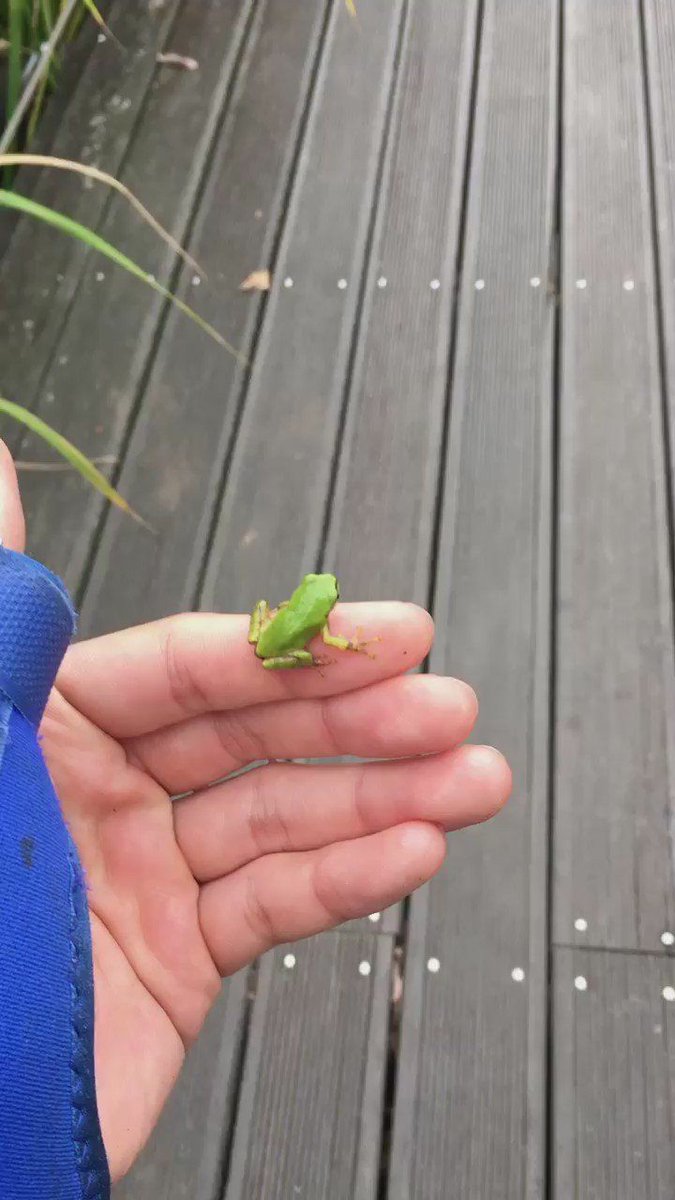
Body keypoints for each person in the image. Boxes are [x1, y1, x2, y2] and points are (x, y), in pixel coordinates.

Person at [0, 440, 511, 1192]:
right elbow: (330, 637)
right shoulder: (323, 622)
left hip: (262, 638)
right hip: (278, 652)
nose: (328, 599)